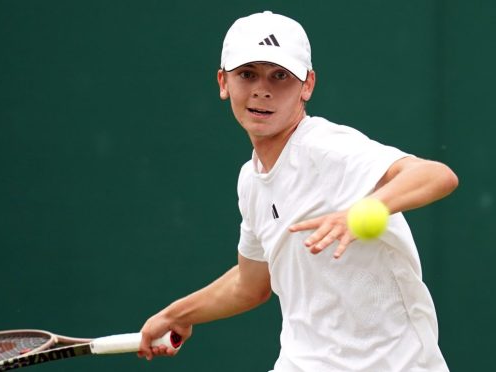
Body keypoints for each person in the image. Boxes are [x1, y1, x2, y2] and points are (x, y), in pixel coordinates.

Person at [138, 10, 458, 372]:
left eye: (280, 76)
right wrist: (178, 314)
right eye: (247, 74)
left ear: (307, 85)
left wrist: (363, 211)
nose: (262, 89)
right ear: (223, 82)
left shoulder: (326, 148)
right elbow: (251, 283)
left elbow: (435, 175)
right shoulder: (251, 180)